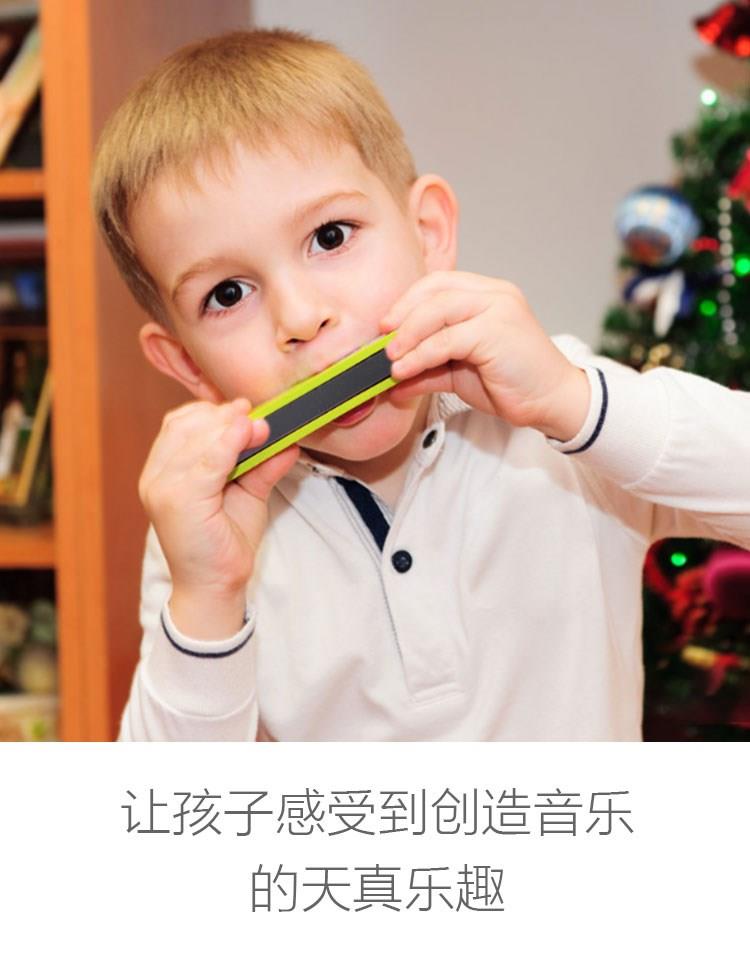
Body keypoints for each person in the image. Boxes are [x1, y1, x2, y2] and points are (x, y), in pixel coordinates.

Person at [92, 28, 750, 742]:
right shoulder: (206, 533)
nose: (301, 317)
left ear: (429, 232)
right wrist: (207, 598)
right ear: (188, 366)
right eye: (227, 294)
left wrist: (576, 403)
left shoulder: (560, 419)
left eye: (331, 236)